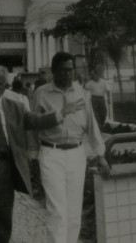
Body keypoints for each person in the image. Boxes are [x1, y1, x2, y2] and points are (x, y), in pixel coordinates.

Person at [0, 64, 83, 243]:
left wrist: (61, 113)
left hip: (6, 171)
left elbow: (36, 120)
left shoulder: (15, 107)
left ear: (5, 86)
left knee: (3, 226)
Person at [33, 52, 110, 243]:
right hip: (51, 153)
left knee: (74, 213)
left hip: (77, 154)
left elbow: (92, 125)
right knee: (57, 211)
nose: (68, 75)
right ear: (53, 71)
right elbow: (32, 126)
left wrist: (100, 155)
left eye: (70, 70)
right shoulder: (41, 93)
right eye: (63, 70)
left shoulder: (82, 93)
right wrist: (33, 156)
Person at [85, 63, 110, 129]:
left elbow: (108, 90)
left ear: (97, 74)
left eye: (93, 75)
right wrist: (87, 79)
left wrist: (109, 98)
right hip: (94, 99)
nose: (92, 76)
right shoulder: (90, 83)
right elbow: (84, 87)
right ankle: (99, 127)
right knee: (95, 115)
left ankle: (101, 124)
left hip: (101, 99)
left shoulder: (103, 82)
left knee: (103, 113)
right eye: (91, 75)